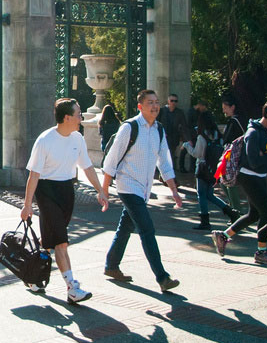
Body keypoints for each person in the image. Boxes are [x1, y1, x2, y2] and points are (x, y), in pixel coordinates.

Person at [21, 98, 109, 303]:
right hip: (46, 191)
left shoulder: (77, 138)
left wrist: (100, 190)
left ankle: (33, 275)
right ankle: (72, 288)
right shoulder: (45, 140)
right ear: (67, 117)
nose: (81, 118)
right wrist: (27, 205)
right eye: (78, 114)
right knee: (61, 242)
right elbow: (33, 175)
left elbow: (87, 167)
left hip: (66, 190)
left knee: (50, 241)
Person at [100, 90, 184, 293]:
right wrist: (104, 189)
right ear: (140, 106)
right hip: (128, 186)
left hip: (144, 189)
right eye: (150, 103)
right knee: (147, 230)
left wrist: (174, 190)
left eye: (157, 102)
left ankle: (111, 266)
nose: (155, 106)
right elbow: (111, 159)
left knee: (125, 227)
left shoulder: (159, 130)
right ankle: (162, 277)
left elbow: (164, 162)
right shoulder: (129, 128)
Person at [211, 99, 267, 265]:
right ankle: (261, 252)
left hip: (260, 176)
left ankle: (223, 236)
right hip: (248, 176)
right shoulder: (253, 133)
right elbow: (254, 161)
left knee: (254, 214)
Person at [183, 111, 239, 230]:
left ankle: (205, 221)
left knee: (202, 195)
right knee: (209, 194)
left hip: (202, 169)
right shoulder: (218, 135)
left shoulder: (201, 136)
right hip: (214, 169)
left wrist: (187, 146)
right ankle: (231, 212)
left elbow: (197, 153)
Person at [220, 96, 245, 214]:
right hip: (230, 155)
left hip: (234, 156)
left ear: (233, 107)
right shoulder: (232, 121)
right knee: (225, 181)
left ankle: (236, 211)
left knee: (229, 182)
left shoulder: (236, 121)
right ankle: (234, 208)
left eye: (226, 108)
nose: (224, 110)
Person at [162, 94, 188, 174]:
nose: (173, 103)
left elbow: (184, 126)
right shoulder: (162, 111)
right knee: (163, 156)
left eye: (175, 101)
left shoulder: (179, 112)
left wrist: (186, 139)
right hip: (163, 137)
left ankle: (170, 174)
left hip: (173, 138)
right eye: (172, 100)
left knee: (171, 155)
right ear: (168, 101)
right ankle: (163, 173)